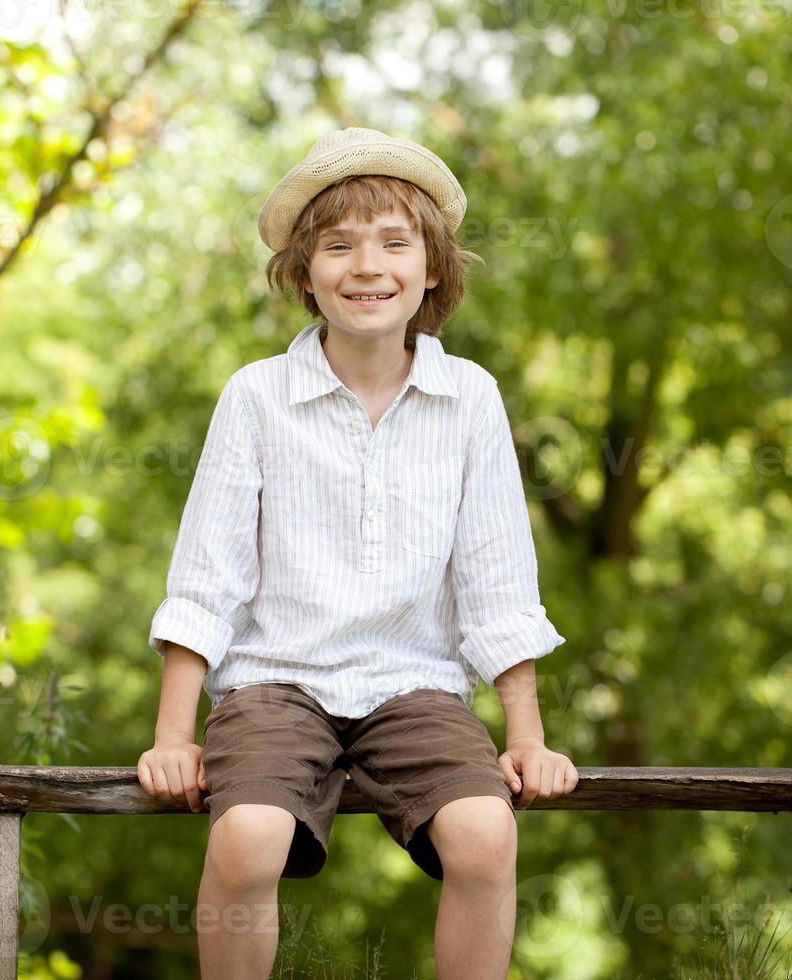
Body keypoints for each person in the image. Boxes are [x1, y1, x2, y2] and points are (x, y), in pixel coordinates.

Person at [136, 126, 579, 979]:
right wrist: (172, 734)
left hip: (415, 688)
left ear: (434, 268)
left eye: (393, 243)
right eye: (337, 245)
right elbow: (206, 576)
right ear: (305, 272)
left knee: (487, 833)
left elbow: (497, 578)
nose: (366, 265)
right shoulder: (258, 397)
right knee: (249, 836)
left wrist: (526, 734)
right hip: (276, 682)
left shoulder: (470, 400)